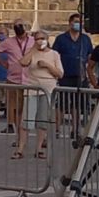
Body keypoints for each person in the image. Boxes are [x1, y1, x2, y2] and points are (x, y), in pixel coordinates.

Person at [20, 30, 63, 159]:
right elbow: (22, 62)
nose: (40, 41)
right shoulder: (32, 52)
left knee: (43, 120)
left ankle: (39, 148)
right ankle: (20, 148)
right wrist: (33, 49)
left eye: (42, 38)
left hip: (48, 90)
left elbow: (60, 74)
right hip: (32, 89)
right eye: (37, 38)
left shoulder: (54, 54)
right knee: (26, 119)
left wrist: (47, 66)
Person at [53, 13, 94, 137]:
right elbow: (55, 54)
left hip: (80, 76)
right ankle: (57, 129)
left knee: (77, 104)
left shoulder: (85, 39)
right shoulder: (61, 38)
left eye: (79, 22)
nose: (77, 24)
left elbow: (90, 55)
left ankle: (75, 129)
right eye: (75, 21)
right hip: (65, 75)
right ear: (70, 23)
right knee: (61, 103)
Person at [0, 19, 34, 138]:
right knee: (16, 109)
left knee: (26, 109)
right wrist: (3, 63)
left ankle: (27, 135)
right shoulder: (9, 42)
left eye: (20, 25)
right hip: (13, 79)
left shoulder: (33, 41)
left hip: (29, 79)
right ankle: (18, 135)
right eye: (16, 26)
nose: (18, 27)